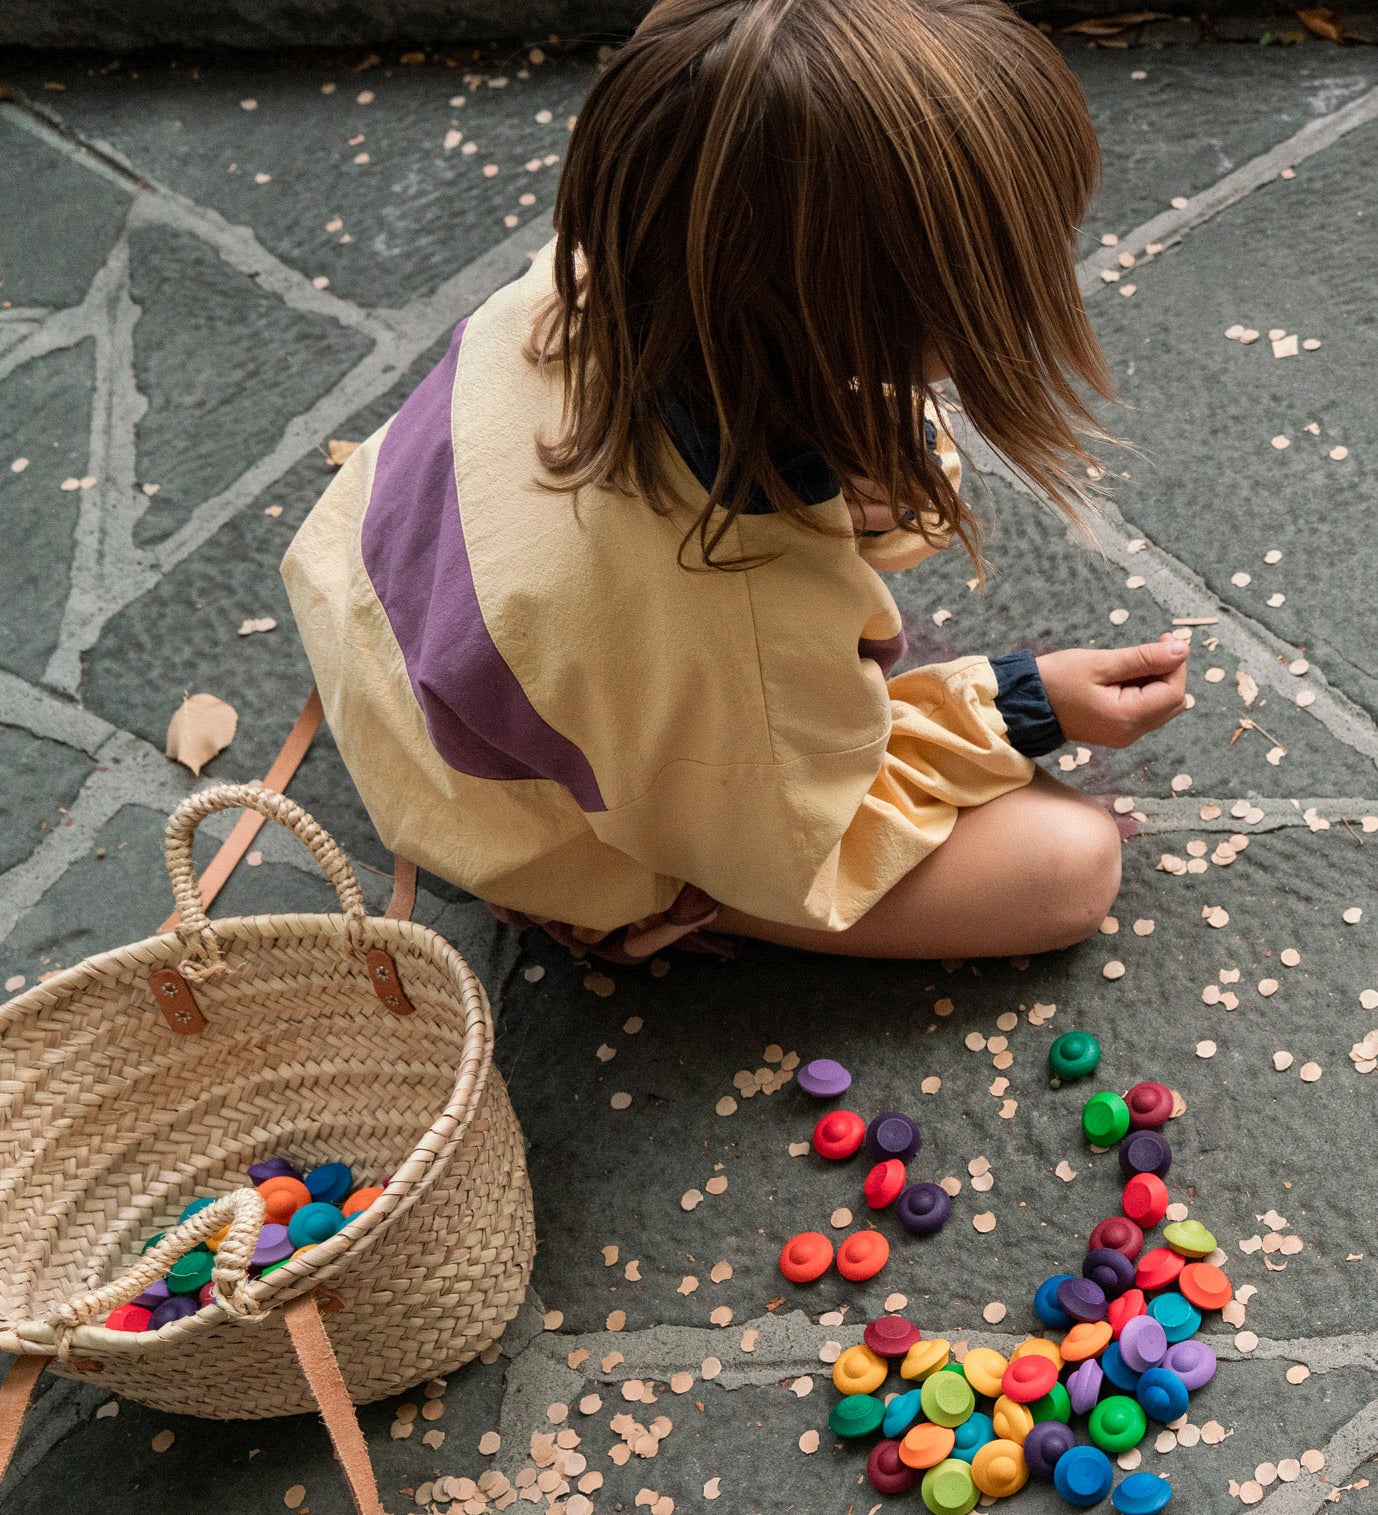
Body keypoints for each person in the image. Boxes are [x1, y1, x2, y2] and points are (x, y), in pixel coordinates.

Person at [282, 0, 1189, 966]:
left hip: (376, 622)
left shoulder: (606, 264)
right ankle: (619, 908)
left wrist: (857, 466)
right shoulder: (731, 608)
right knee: (1069, 865)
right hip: (503, 816)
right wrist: (1014, 703)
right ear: (859, 321)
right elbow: (799, 843)